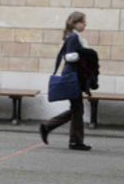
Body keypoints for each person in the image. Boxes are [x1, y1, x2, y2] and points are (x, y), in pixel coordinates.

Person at [40, 11, 97, 151]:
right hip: (73, 76)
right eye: (82, 22)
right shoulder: (73, 37)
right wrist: (85, 55)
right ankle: (74, 140)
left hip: (74, 75)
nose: (85, 24)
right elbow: (69, 57)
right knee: (77, 109)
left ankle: (51, 127)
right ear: (74, 23)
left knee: (77, 109)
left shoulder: (74, 36)